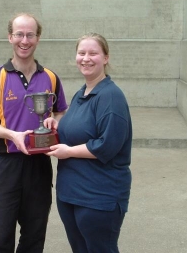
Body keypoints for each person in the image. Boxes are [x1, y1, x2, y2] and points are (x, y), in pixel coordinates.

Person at [0, 13, 68, 253]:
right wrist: (12, 135)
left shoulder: (50, 77)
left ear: (38, 38)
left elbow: (61, 112)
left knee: (34, 237)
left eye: (30, 34)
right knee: (1, 238)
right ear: (10, 37)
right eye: (19, 34)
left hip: (39, 165)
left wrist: (53, 121)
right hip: (6, 164)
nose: (24, 40)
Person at [45, 32, 132, 253]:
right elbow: (76, 130)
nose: (86, 58)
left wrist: (69, 151)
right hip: (71, 193)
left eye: (93, 53)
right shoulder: (81, 93)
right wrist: (56, 126)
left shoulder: (111, 97)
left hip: (98, 197)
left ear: (106, 58)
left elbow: (107, 145)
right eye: (81, 52)